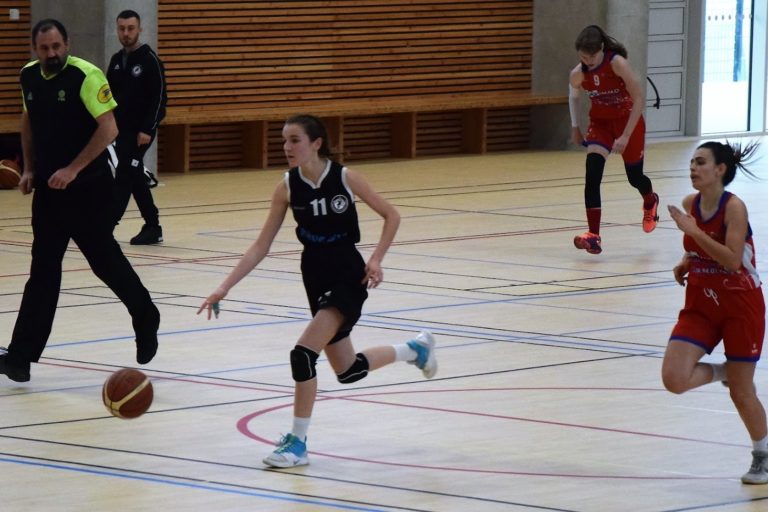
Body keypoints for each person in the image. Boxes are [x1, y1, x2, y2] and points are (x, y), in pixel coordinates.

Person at [197, 114, 437, 468]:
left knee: (302, 354)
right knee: (348, 370)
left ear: (316, 143)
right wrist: (224, 287)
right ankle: (415, 350)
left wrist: (376, 259)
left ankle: (297, 444)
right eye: (284, 140)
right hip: (314, 275)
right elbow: (261, 246)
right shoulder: (287, 186)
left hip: (348, 274)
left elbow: (392, 215)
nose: (287, 147)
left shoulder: (345, 177)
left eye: (294, 140)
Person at [0, 19, 160, 383]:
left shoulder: (86, 76)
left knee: (105, 263)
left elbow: (110, 128)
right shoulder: (28, 76)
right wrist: (28, 169)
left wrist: (73, 169)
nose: (52, 54)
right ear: (35, 49)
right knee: (43, 272)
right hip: (49, 191)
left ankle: (145, 314)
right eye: (45, 48)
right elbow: (28, 121)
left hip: (90, 188)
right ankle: (21, 357)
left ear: (67, 44)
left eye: (57, 46)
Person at [662, 140, 767, 484]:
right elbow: (699, 246)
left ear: (720, 170)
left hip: (740, 305)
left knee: (742, 392)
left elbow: (733, 260)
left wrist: (693, 232)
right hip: (701, 303)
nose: (693, 167)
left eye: (701, 162)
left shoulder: (734, 208)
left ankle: (763, 455)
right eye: (692, 161)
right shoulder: (690, 203)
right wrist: (687, 258)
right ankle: (725, 372)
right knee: (674, 379)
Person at [568, 25, 659, 255]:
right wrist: (575, 127)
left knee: (634, 177)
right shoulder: (578, 73)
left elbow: (639, 99)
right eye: (583, 57)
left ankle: (650, 200)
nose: (587, 62)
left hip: (628, 120)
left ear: (601, 49)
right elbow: (574, 96)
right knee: (592, 175)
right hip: (600, 124)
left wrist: (626, 135)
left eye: (591, 57)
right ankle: (593, 235)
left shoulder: (617, 64)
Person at [107, 9, 167, 245]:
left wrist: (148, 129)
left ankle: (106, 226)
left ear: (139, 29)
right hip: (119, 131)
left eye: (130, 28)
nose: (126, 33)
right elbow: (108, 97)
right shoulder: (115, 61)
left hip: (140, 132)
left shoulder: (149, 60)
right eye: (122, 29)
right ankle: (153, 226)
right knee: (134, 175)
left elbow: (159, 99)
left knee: (124, 174)